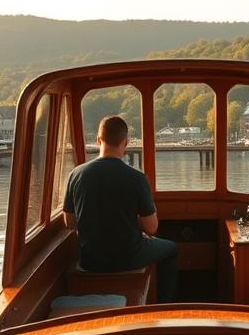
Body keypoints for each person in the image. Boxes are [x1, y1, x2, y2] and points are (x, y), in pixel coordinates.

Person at [63, 115, 177, 302]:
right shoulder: (137, 178)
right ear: (126, 143)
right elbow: (151, 228)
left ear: (98, 140)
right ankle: (165, 305)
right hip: (128, 258)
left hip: (90, 261)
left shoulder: (76, 175)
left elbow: (69, 222)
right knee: (171, 249)